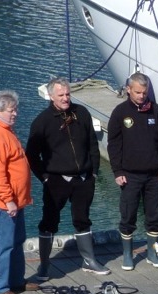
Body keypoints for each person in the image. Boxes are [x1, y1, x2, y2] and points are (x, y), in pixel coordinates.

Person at [26, 77, 109, 277]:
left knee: (82, 219)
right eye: (61, 95)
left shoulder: (82, 113)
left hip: (83, 179)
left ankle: (89, 260)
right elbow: (31, 154)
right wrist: (44, 177)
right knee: (49, 222)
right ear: (51, 96)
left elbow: (92, 145)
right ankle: (44, 265)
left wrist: (94, 172)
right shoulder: (42, 121)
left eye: (68, 94)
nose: (65, 98)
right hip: (56, 181)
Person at [106, 73, 158, 271]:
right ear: (128, 90)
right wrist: (117, 171)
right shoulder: (120, 112)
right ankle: (128, 254)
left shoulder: (155, 110)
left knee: (155, 215)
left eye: (144, 92)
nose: (142, 96)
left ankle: (152, 252)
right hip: (130, 175)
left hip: (153, 174)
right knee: (128, 215)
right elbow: (113, 144)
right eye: (138, 92)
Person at [0, 89, 38, 294]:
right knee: (4, 243)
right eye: (12, 110)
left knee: (17, 240)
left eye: (15, 109)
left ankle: (16, 280)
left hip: (17, 200)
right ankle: (1, 287)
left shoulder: (6, 129)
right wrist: (8, 200)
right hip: (6, 202)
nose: (16, 114)